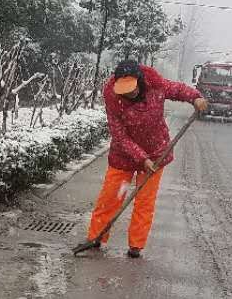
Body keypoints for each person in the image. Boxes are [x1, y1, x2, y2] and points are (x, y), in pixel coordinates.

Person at [82, 60, 207, 257]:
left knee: (144, 201)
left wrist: (196, 98)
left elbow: (177, 89)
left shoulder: (155, 86)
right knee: (111, 197)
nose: (128, 93)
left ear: (140, 81)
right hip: (123, 157)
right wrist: (142, 158)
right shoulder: (113, 97)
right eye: (124, 89)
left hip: (156, 154)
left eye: (131, 88)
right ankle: (95, 237)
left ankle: (136, 245)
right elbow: (119, 135)